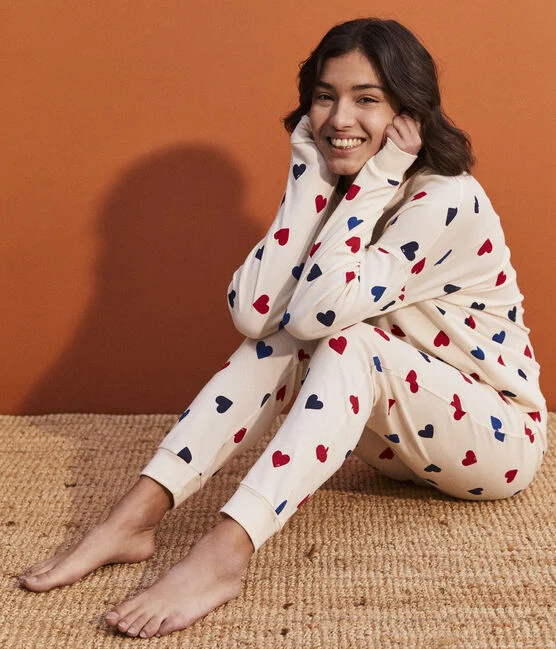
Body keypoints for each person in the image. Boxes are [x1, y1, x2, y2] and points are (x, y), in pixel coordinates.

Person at [19, 17, 547, 639]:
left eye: (367, 100)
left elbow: (321, 312)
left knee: (346, 338)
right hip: (394, 438)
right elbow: (256, 314)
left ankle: (225, 552)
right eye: (325, 97)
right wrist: (307, 182)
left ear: (411, 113)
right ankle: (133, 517)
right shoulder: (345, 186)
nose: (339, 119)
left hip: (494, 439)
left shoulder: (446, 198)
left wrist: (372, 181)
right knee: (282, 336)